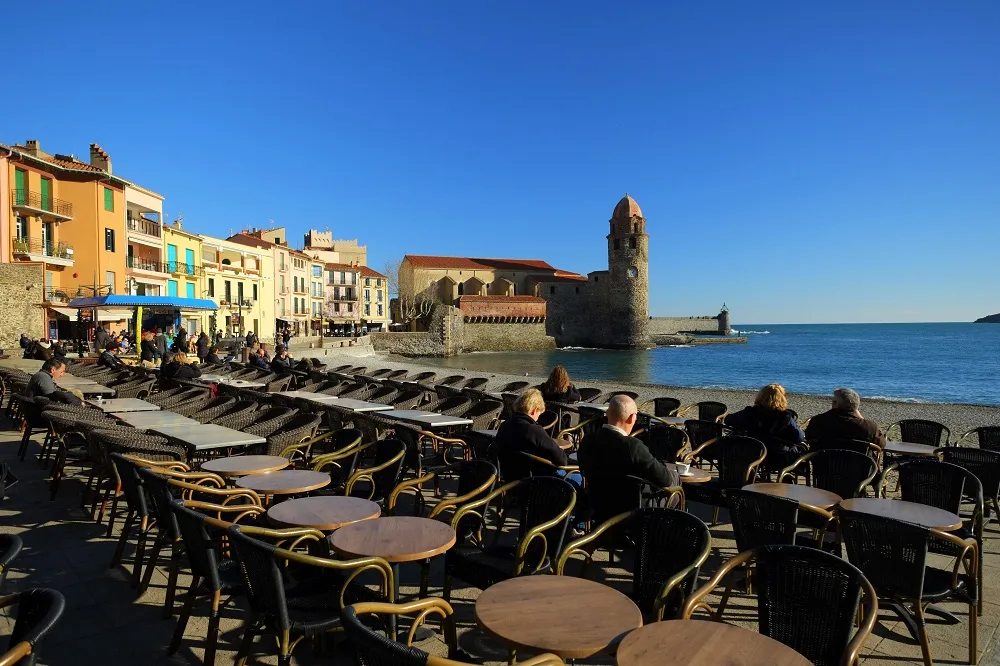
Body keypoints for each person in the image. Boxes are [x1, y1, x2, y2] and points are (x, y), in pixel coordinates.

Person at [577, 395, 680, 523]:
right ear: (632, 418)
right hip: (634, 510)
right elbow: (665, 479)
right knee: (675, 481)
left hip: (598, 506)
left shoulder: (587, 440)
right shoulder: (632, 446)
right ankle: (667, 531)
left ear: (608, 414)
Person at [724, 383, 806, 469]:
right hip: (779, 457)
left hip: (754, 455)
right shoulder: (785, 417)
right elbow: (800, 437)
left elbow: (728, 420)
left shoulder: (750, 413)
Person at [495, 388, 570, 471]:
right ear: (534, 410)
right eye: (539, 414)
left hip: (510, 476)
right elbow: (562, 460)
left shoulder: (504, 426)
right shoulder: (534, 430)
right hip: (539, 479)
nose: (537, 419)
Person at [805, 388, 885, 447]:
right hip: (859, 468)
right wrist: (861, 419)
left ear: (836, 405)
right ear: (856, 407)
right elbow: (881, 444)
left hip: (825, 467)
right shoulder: (869, 427)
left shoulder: (818, 421)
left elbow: (809, 437)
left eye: (833, 402)